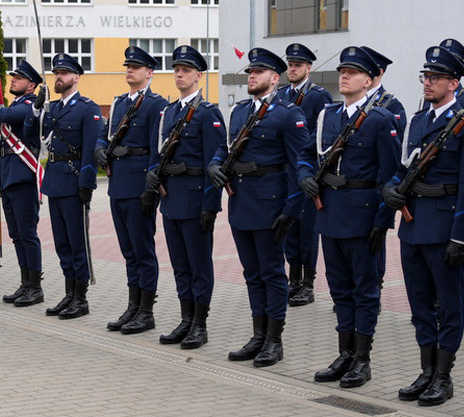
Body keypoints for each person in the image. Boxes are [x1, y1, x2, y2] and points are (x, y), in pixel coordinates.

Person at [386, 43, 464, 407]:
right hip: (413, 226)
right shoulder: (419, 120)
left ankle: (444, 376)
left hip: (444, 226)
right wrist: (391, 188)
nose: (428, 83)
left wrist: (460, 236)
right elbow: (402, 168)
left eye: (436, 77)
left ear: (454, 83)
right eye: (426, 77)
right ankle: (426, 370)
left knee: (449, 306)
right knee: (419, 305)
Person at [300, 46, 401, 388]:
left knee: (365, 291)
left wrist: (382, 221)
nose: (345, 75)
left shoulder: (380, 119)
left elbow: (390, 176)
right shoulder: (328, 115)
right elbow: (305, 156)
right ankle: (344, 353)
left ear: (369, 80)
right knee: (339, 288)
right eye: (343, 70)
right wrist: (306, 178)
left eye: (354, 72)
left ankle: (362, 358)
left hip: (362, 216)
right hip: (330, 213)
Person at [209, 47, 312, 367]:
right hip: (241, 201)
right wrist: (215, 164)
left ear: (274, 78)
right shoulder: (239, 111)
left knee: (271, 273)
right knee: (252, 273)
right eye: (249, 72)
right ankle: (258, 335)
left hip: (271, 204)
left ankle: (274, 340)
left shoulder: (287, 113)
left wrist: (291, 210)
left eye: (258, 72)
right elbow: (226, 150)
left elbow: (300, 165)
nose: (251, 76)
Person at [143, 45, 225, 349]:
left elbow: (213, 161)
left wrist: (210, 205)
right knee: (180, 264)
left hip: (195, 199)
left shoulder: (207, 113)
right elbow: (157, 152)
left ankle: (200, 325)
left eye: (186, 70)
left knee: (199, 265)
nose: (180, 74)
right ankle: (185, 319)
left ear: (199, 77)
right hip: (172, 199)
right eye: (177, 69)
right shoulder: (169, 112)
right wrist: (153, 174)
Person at [96, 46, 166, 334]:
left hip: (139, 186)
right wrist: (99, 149)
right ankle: (132, 305)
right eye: (127, 66)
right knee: (128, 251)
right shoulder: (119, 103)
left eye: (135, 67)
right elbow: (104, 135)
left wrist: (151, 186)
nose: (129, 70)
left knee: (142, 249)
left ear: (149, 73)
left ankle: (146, 310)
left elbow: (157, 149)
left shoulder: (155, 105)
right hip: (118, 186)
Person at [38, 54, 103, 319]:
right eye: (56, 73)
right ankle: (69, 293)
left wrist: (86, 183)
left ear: (76, 77)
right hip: (55, 179)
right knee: (62, 243)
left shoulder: (88, 108)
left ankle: (81, 297)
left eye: (64, 73)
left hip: (74, 180)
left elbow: (89, 150)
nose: (59, 77)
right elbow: (38, 135)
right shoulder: (51, 107)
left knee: (78, 243)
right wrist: (36, 108)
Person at [278, 43, 333, 307]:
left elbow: (321, 134)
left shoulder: (317, 96)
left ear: (308, 69)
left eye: (297, 65)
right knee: (290, 229)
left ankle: (308, 284)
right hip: (285, 173)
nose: (292, 69)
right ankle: (294, 280)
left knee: (308, 230)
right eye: (290, 65)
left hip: (308, 172)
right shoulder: (281, 94)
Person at [0, 60, 45, 307]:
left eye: (18, 78)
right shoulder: (16, 104)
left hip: (22, 176)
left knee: (27, 233)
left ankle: (36, 286)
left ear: (30, 85)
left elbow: (3, 115)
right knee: (17, 234)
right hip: (9, 177)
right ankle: (25, 283)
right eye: (12, 77)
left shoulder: (30, 105)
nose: (12, 80)